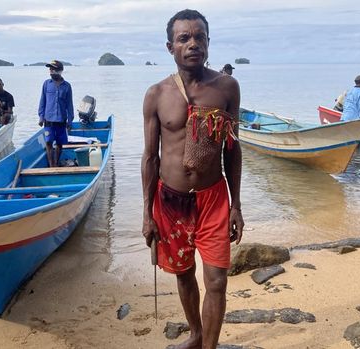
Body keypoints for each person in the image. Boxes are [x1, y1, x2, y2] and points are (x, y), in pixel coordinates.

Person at [141, 9, 244, 349]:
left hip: (213, 198)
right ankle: (196, 334)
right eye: (184, 38)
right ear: (170, 46)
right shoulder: (156, 94)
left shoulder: (226, 87)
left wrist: (236, 205)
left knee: (216, 282)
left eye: (199, 37)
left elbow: (232, 149)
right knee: (184, 274)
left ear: (209, 43)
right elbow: (150, 157)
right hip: (170, 201)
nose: (192, 44)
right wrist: (147, 214)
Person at [38, 59, 74, 167]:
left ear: (60, 71)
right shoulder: (46, 84)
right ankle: (51, 165)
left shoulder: (67, 86)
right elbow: (42, 101)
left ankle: (57, 162)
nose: (51, 71)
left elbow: (69, 104)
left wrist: (70, 120)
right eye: (50, 69)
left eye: (53, 69)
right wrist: (41, 116)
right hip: (48, 119)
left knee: (59, 143)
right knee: (48, 142)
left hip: (61, 119)